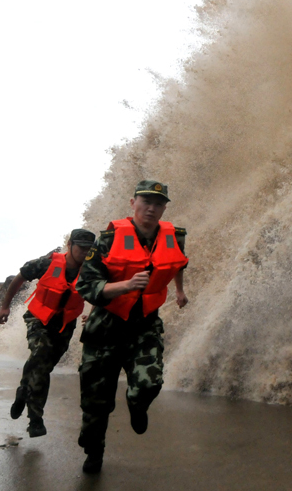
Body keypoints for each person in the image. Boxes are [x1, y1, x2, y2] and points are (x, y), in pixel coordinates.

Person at [75, 180, 189, 474]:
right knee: (95, 403)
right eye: (145, 201)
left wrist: (179, 291)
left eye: (158, 203)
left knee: (149, 384)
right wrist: (124, 285)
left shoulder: (174, 236)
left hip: (145, 324)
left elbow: (176, 265)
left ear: (164, 208)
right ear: (132, 203)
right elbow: (85, 285)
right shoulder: (109, 239)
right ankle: (94, 451)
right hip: (106, 326)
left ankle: (137, 405)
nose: (151, 208)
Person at [0, 229, 96, 437]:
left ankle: (24, 389)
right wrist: (5, 306)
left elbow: (98, 291)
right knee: (41, 355)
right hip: (38, 318)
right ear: (70, 244)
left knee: (44, 366)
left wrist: (92, 313)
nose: (85, 253)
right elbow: (19, 278)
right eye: (81, 247)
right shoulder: (46, 263)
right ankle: (36, 420)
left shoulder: (91, 269)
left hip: (64, 325)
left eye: (89, 249)